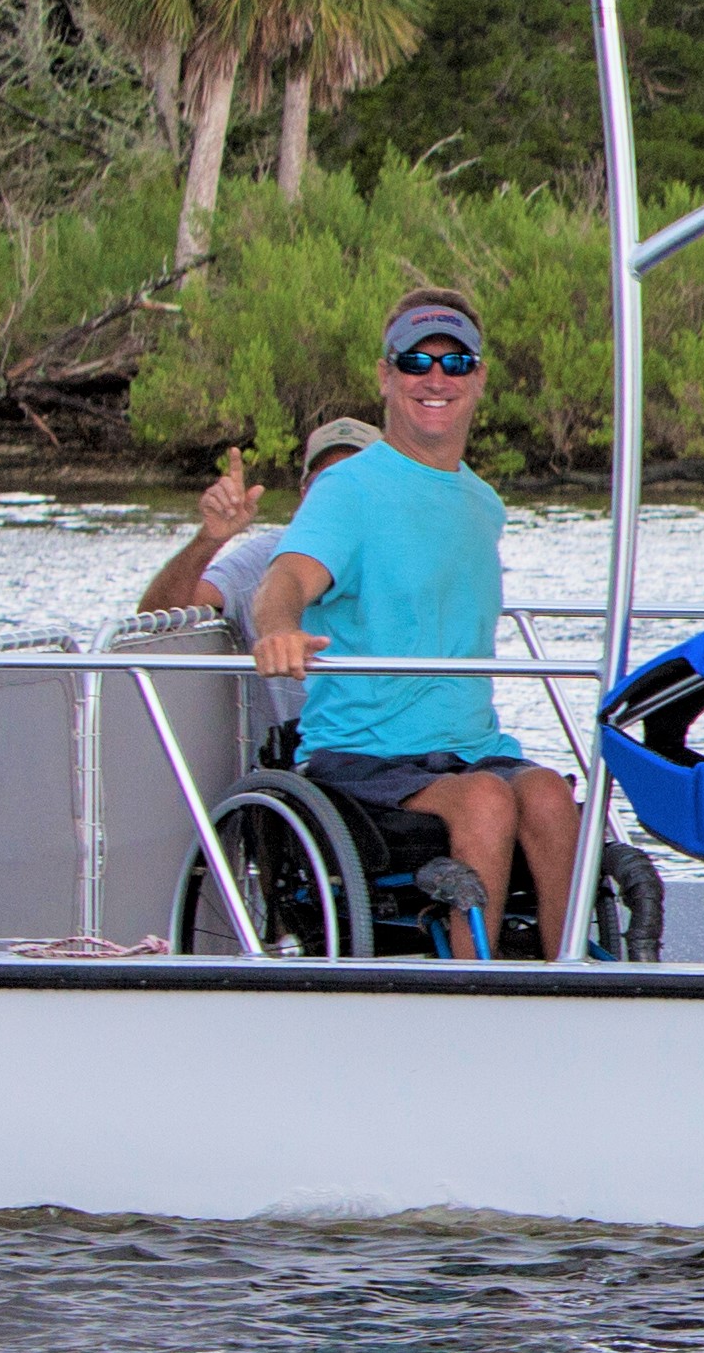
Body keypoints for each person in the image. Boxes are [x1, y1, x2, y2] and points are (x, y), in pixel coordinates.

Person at [244, 292, 582, 960]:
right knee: (485, 801)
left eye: (455, 362)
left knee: (548, 794)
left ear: (479, 377)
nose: (436, 378)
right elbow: (283, 581)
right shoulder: (350, 489)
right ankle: (471, 992)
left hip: (467, 745)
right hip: (366, 755)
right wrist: (278, 628)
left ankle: (568, 980)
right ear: (385, 376)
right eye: (415, 362)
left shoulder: (482, 503)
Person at [136, 419, 380, 629]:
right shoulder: (265, 557)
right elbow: (158, 619)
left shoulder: (413, 558)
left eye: (357, 483)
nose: (340, 497)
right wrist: (208, 540)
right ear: (305, 494)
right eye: (327, 484)